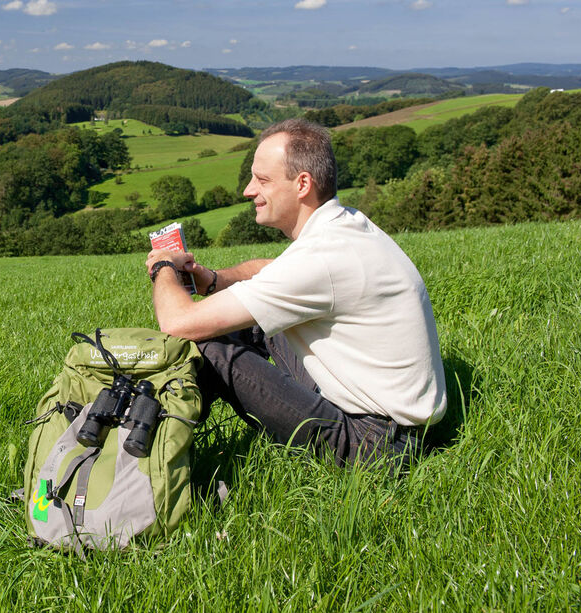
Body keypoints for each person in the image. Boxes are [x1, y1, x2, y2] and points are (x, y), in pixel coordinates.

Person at [145, 119, 446, 467]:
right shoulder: (343, 226)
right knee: (246, 321)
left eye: (263, 180)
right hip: (397, 425)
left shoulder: (322, 259)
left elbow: (177, 323)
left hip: (374, 445)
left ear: (302, 183)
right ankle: (164, 439)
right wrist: (212, 280)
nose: (248, 190)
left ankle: (161, 453)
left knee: (209, 343)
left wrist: (163, 266)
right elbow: (269, 271)